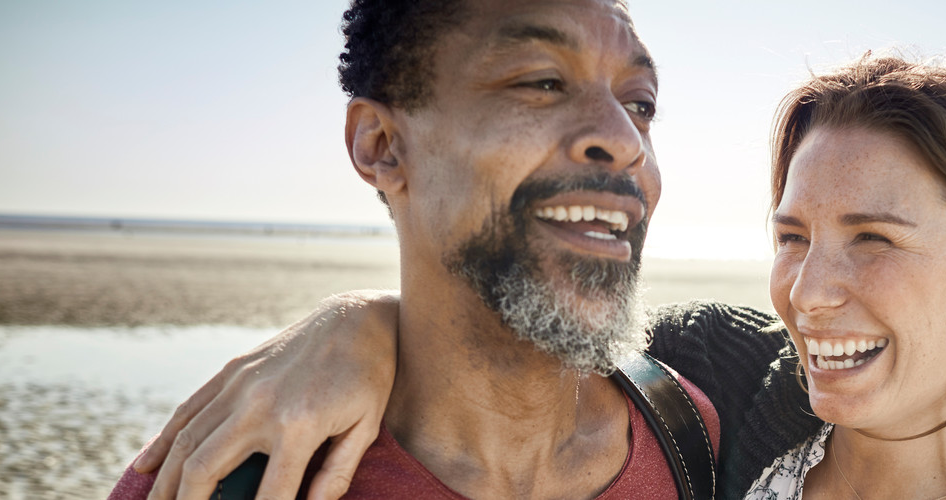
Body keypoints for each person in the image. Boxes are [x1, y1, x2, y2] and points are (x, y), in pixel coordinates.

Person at [133, 53, 946, 500]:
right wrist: (362, 325)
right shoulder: (727, 386)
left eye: (872, 237)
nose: (809, 291)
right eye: (791, 233)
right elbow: (514, 342)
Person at [108, 0, 741, 498]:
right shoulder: (223, 475)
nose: (623, 138)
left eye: (641, 104)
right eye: (543, 82)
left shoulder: (693, 435)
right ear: (381, 145)